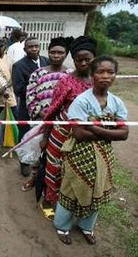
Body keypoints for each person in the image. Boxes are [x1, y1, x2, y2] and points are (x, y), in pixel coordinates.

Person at [54, 56, 128, 245]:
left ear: (115, 76)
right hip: (79, 154)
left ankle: (87, 226)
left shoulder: (117, 102)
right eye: (100, 72)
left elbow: (124, 134)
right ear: (92, 75)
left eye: (110, 72)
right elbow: (79, 134)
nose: (105, 76)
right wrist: (109, 130)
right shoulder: (81, 101)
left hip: (104, 156)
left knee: (98, 189)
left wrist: (94, 127)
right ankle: (62, 227)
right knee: (71, 190)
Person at [40, 36, 97, 220]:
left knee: (76, 172)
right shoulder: (65, 82)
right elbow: (52, 111)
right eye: (78, 59)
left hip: (87, 136)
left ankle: (71, 206)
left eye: (87, 59)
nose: (82, 63)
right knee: (55, 169)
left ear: (94, 58)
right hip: (61, 133)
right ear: (73, 59)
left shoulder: (98, 82)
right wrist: (45, 137)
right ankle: (49, 201)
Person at [19, 37, 74, 191]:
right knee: (38, 152)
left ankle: (54, 186)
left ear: (66, 54)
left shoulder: (71, 74)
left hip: (63, 124)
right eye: (53, 52)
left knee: (58, 155)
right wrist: (42, 114)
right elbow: (30, 96)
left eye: (60, 52)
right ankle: (34, 179)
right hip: (41, 122)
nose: (56, 55)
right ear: (48, 53)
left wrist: (61, 117)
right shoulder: (37, 74)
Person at [12, 37, 49, 148]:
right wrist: (38, 92)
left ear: (40, 47)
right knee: (25, 135)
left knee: (43, 135)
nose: (34, 49)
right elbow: (18, 89)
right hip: (26, 107)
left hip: (46, 107)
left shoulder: (47, 61)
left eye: (36, 46)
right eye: (30, 47)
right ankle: (23, 162)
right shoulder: (18, 66)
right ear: (25, 49)